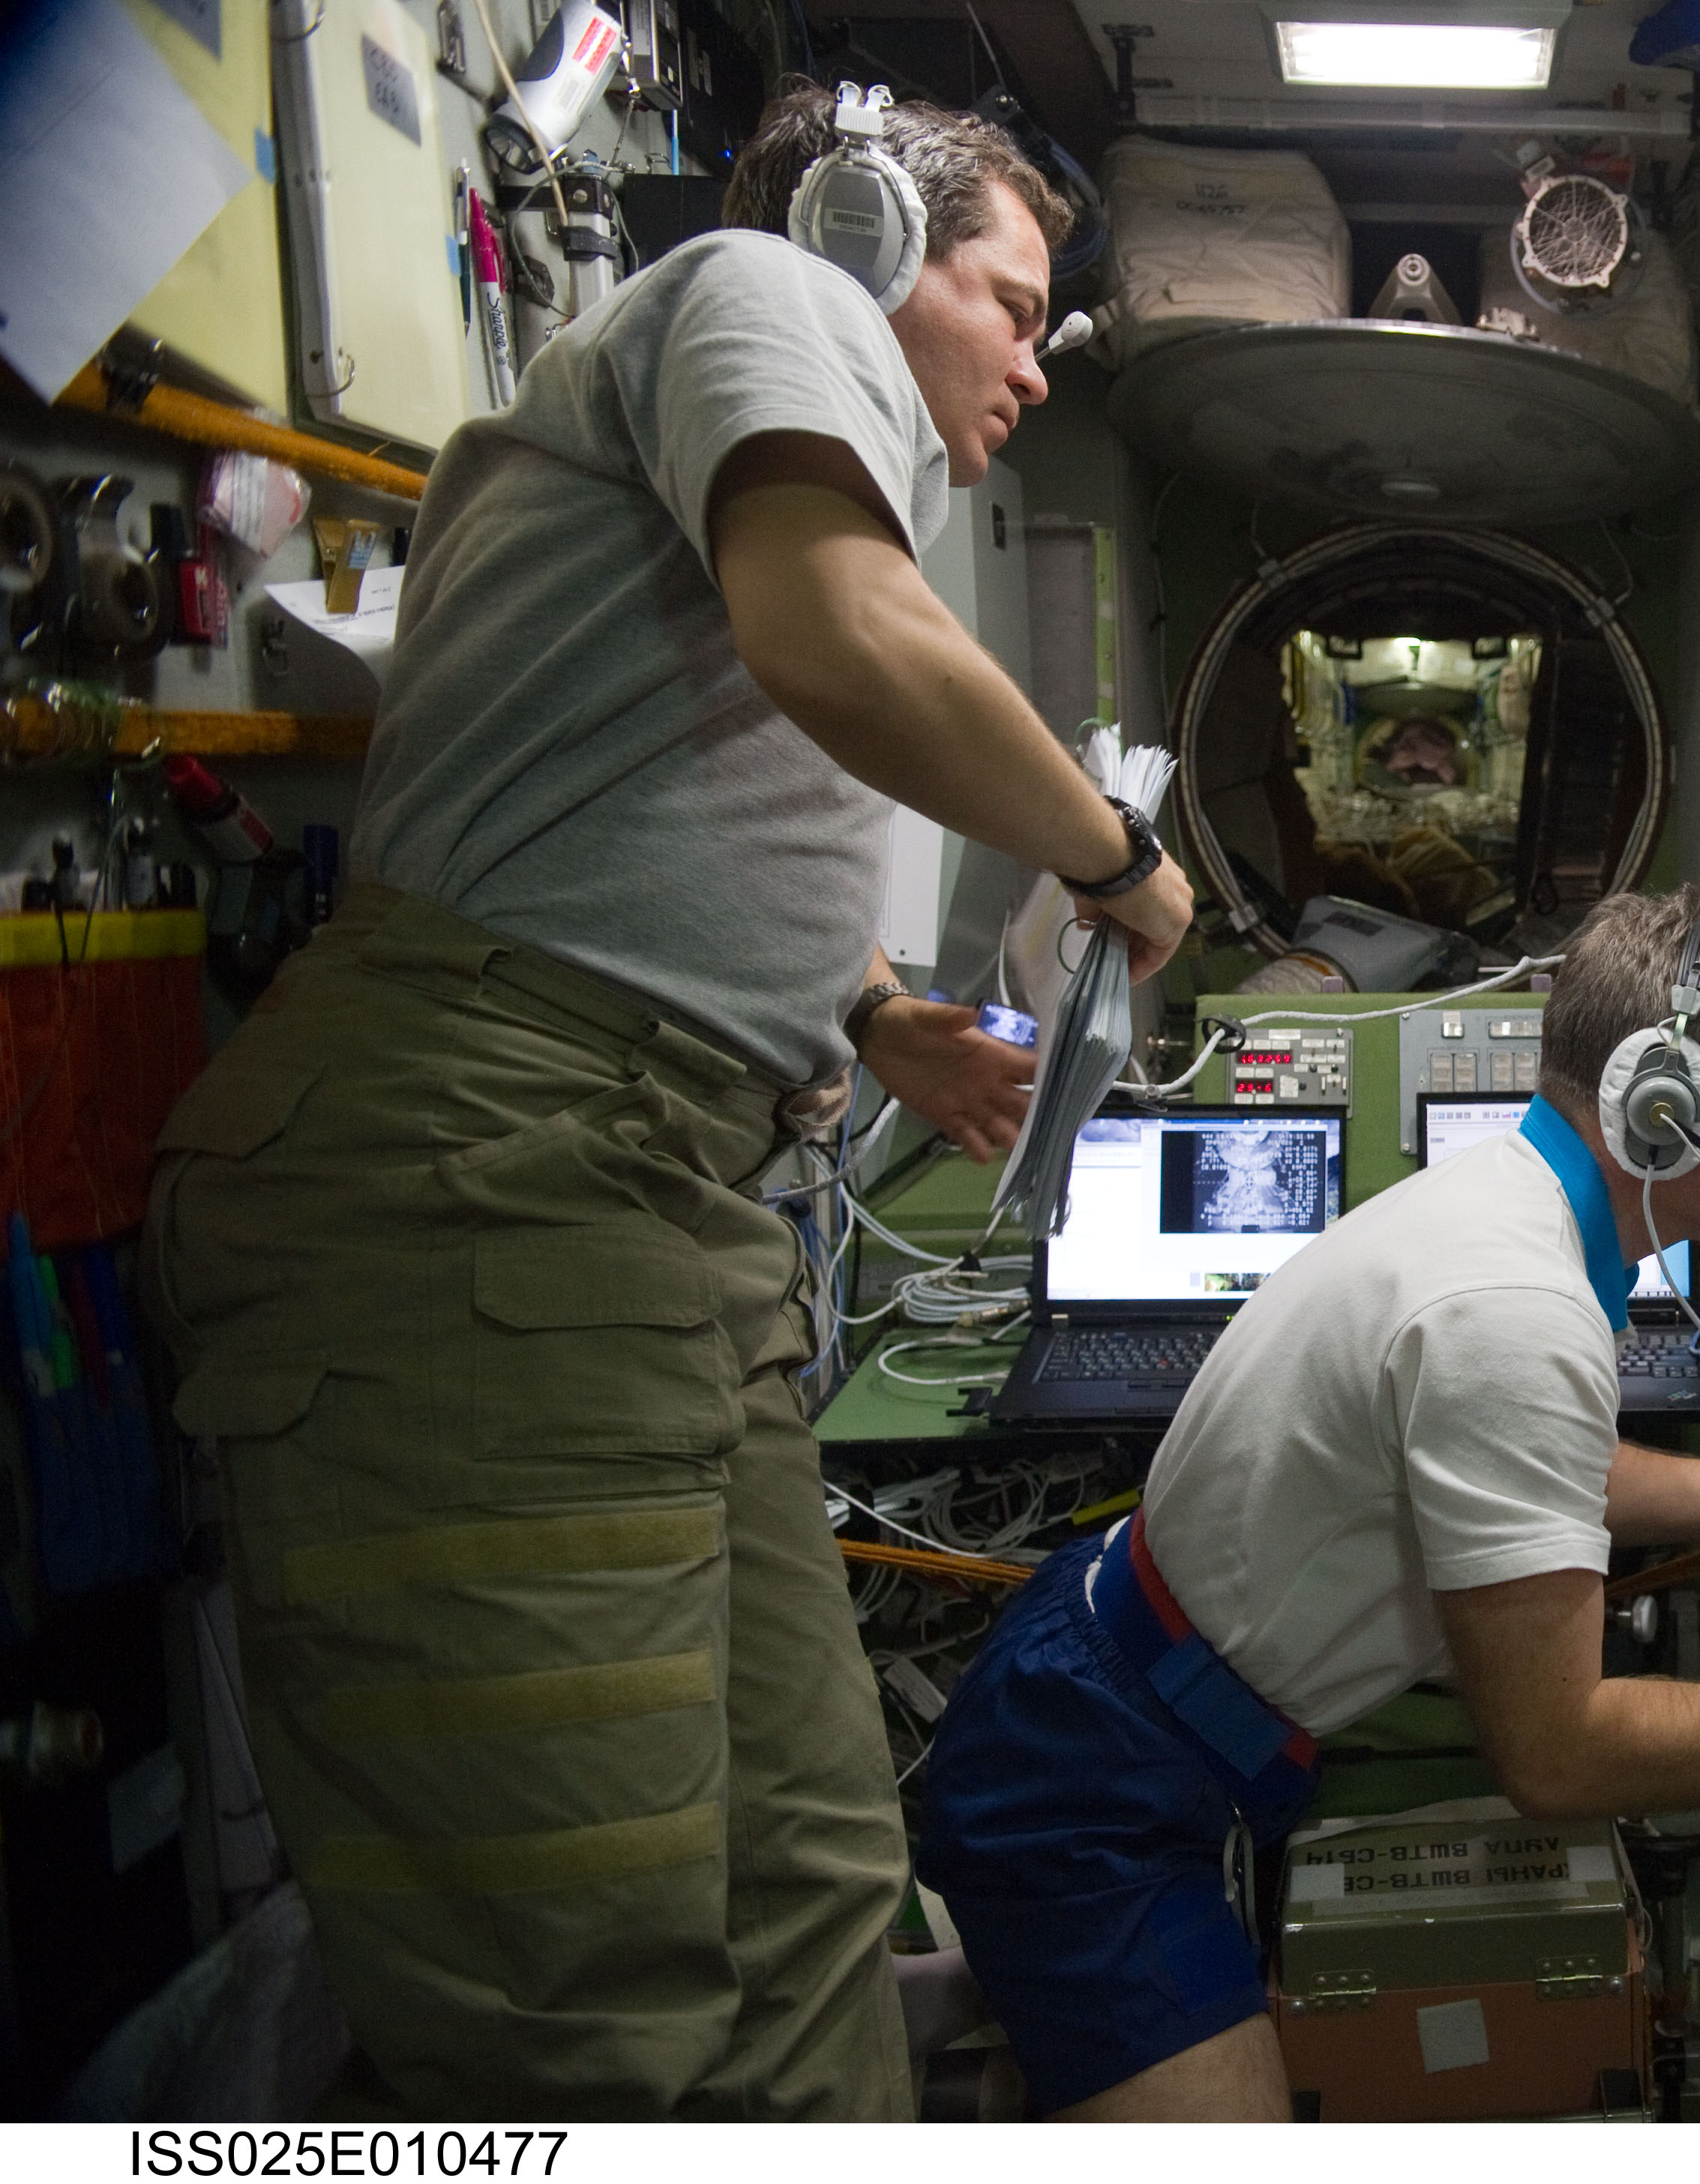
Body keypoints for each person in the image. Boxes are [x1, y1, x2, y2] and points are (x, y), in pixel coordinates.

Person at [139, 86, 1189, 2118]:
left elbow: (638, 799)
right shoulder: (772, 287)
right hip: (491, 1187)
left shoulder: (758, 424)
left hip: (652, 1207)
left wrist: (867, 1011)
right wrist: (1114, 860)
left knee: (810, 1894)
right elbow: (834, 636)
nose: (1039, 363)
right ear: (883, 231)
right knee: (581, 2014)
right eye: (1016, 299)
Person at [917, 888, 1700, 2120]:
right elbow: (1560, 1751)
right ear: (1663, 1096)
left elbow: (1537, 1480)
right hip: (1092, 1779)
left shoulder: (1510, 1207)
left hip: (1128, 1693)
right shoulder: (1513, 1310)